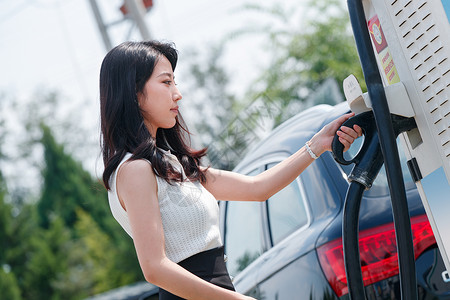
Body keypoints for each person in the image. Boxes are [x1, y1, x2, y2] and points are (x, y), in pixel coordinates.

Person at [99, 40, 362, 300]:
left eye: (174, 82)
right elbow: (155, 268)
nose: (177, 93)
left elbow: (258, 188)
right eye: (166, 82)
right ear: (133, 92)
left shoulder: (170, 163)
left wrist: (317, 144)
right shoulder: (135, 170)